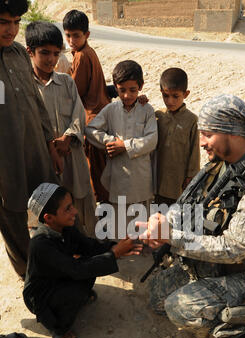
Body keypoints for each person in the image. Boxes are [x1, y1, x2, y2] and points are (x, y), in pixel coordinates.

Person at [137, 95, 245, 338]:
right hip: (209, 260)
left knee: (177, 308)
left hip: (243, 274)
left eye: (208, 134)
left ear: (232, 133)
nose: (201, 142)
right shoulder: (221, 163)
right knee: (156, 296)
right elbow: (187, 202)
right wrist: (166, 222)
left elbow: (234, 248)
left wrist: (173, 237)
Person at [23, 183, 142, 338]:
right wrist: (114, 254)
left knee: (89, 267)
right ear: (48, 218)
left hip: (60, 275)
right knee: (79, 284)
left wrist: (113, 247)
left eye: (72, 206)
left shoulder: (65, 228)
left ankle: (70, 304)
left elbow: (89, 246)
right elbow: (77, 270)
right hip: (41, 296)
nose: (75, 212)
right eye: (67, 209)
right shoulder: (41, 244)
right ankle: (59, 328)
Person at [0, 0, 61, 279]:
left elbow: (36, 103)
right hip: (6, 161)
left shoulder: (18, 55)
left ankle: (58, 267)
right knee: (14, 218)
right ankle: (33, 281)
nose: (11, 29)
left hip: (35, 148)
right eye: (4, 22)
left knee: (50, 206)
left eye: (15, 22)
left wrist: (50, 143)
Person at [25, 21, 97, 237]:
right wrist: (50, 146)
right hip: (43, 159)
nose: (51, 59)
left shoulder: (66, 82)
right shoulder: (26, 87)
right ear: (30, 51)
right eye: (44, 53)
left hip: (71, 156)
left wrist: (68, 137)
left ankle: (88, 245)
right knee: (46, 209)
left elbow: (78, 114)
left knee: (80, 206)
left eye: (56, 54)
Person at [85, 60, 158, 240]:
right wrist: (110, 142)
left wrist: (124, 146)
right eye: (122, 90)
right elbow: (91, 130)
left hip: (141, 175)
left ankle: (142, 247)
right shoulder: (110, 110)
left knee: (142, 216)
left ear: (141, 86)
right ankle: (122, 250)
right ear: (115, 87)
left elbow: (151, 140)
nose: (127, 95)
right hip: (118, 174)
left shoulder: (146, 109)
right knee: (120, 219)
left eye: (133, 90)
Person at [63, 9, 111, 203]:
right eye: (68, 35)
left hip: (92, 118)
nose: (72, 40)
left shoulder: (82, 56)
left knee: (96, 173)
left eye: (76, 35)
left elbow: (74, 91)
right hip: (99, 115)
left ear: (86, 35)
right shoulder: (85, 51)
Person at [154, 67, 200, 207]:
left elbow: (195, 153)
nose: (170, 101)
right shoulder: (158, 116)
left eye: (175, 96)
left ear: (185, 94)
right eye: (166, 96)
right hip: (157, 181)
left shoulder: (191, 120)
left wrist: (191, 177)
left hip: (178, 183)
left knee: (178, 218)